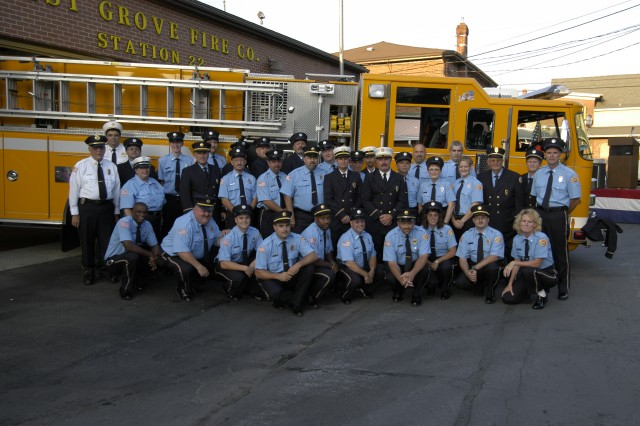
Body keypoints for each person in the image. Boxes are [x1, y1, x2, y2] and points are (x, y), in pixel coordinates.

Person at [531, 138, 581, 301]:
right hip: (540, 215)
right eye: (549, 153)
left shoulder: (569, 174)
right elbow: (534, 196)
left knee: (560, 252)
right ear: (544, 155)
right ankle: (540, 285)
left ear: (561, 154)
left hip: (558, 215)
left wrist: (563, 213)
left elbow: (575, 200)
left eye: (555, 153)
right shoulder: (539, 173)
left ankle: (563, 287)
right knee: (539, 249)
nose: (552, 156)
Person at [69, 135, 121, 285]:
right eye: (95, 147)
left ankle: (106, 270)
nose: (99, 150)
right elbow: (73, 190)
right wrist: (75, 213)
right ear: (89, 149)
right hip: (87, 208)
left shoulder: (111, 166)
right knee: (87, 241)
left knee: (107, 242)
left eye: (101, 147)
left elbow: (116, 190)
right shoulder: (81, 166)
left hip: (106, 208)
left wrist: (116, 211)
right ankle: (89, 271)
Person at [255, 211, 317, 317]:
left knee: (309, 268)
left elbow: (313, 255)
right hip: (274, 277)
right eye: (281, 226)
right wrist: (278, 276)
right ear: (274, 227)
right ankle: (280, 300)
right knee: (276, 293)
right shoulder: (265, 245)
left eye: (287, 225)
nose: (285, 229)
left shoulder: (297, 238)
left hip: (290, 274)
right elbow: (258, 272)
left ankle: (296, 305)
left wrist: (298, 265)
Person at [160, 197, 223, 302]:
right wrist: (199, 267)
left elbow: (217, 239)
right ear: (195, 210)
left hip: (191, 253)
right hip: (171, 254)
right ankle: (182, 290)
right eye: (203, 211)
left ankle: (193, 283)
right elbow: (182, 251)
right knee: (185, 268)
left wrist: (228, 239)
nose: (206, 214)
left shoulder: (210, 221)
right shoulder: (185, 224)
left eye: (209, 211)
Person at [501, 208, 558, 309]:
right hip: (528, 273)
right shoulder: (517, 239)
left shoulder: (541, 238)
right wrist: (510, 284)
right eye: (524, 221)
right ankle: (527, 292)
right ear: (519, 223)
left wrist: (514, 263)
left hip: (547, 274)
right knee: (508, 298)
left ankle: (542, 295)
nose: (526, 224)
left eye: (530, 222)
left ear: (535, 224)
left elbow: (536, 264)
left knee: (527, 271)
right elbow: (517, 262)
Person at [104, 202, 161, 300]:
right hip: (114, 261)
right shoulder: (124, 222)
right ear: (132, 212)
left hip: (131, 256)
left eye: (145, 212)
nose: (142, 215)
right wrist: (149, 254)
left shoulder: (147, 225)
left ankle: (138, 280)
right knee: (132, 257)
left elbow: (155, 245)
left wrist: (155, 257)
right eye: (139, 212)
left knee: (155, 256)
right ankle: (125, 290)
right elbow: (128, 246)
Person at [362, 147, 408, 259]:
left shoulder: (399, 178)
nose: (383, 162)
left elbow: (402, 200)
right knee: (375, 254)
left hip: (392, 222)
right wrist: (379, 215)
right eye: (380, 159)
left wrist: (391, 215)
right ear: (377, 161)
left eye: (386, 159)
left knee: (392, 253)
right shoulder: (369, 178)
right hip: (375, 222)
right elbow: (365, 199)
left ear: (390, 160)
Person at [477, 147, 522, 258]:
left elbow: (519, 202)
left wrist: (517, 221)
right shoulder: (481, 177)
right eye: (492, 160)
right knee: (489, 249)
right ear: (488, 162)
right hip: (489, 220)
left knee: (507, 251)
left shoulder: (514, 177)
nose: (495, 162)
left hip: (507, 221)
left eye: (498, 160)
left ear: (502, 161)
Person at [454, 205, 504, 304]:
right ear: (473, 220)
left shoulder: (496, 235)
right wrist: (468, 273)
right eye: (477, 218)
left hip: (487, 265)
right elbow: (462, 258)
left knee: (493, 268)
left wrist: (474, 268)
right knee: (461, 283)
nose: (480, 220)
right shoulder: (466, 235)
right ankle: (478, 285)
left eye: (483, 218)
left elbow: (494, 257)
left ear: (488, 220)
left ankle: (491, 292)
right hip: (473, 264)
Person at [336, 208, 386, 304]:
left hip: (363, 265)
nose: (360, 224)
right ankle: (345, 295)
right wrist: (365, 274)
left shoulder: (367, 236)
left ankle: (364, 289)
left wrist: (372, 270)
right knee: (355, 281)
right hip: (347, 267)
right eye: (357, 222)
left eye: (362, 221)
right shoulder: (346, 238)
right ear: (351, 223)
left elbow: (372, 255)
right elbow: (349, 263)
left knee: (383, 271)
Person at [214, 204, 263, 300]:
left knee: (260, 269)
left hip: (244, 262)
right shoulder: (229, 238)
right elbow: (224, 263)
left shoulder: (255, 232)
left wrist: (252, 266)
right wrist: (245, 268)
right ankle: (229, 289)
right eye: (241, 218)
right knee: (238, 278)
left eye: (247, 218)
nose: (244, 221)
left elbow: (262, 252)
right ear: (236, 220)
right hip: (226, 265)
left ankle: (249, 289)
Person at [383, 209, 429, 306]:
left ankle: (416, 294)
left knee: (424, 269)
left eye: (410, 223)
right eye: (403, 223)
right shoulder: (390, 236)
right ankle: (399, 290)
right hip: (399, 265)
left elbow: (423, 256)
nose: (406, 226)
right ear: (397, 222)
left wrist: (412, 273)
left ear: (414, 222)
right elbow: (391, 262)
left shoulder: (422, 233)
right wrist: (401, 280)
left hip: (414, 264)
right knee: (390, 276)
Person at [323, 145, 361, 250]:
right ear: (336, 160)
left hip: (351, 218)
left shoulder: (356, 176)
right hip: (337, 218)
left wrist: (351, 214)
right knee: (336, 246)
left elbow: (359, 196)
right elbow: (329, 199)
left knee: (352, 246)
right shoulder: (329, 177)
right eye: (340, 159)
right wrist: (342, 215)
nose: (343, 161)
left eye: (345, 158)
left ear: (349, 160)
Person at [301, 204, 340, 307]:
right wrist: (329, 265)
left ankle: (322, 293)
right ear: (315, 218)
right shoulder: (310, 233)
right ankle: (310, 297)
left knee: (338, 266)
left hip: (321, 263)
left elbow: (328, 250)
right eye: (322, 218)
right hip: (308, 265)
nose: (326, 221)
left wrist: (332, 261)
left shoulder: (326, 229)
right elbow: (312, 259)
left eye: (328, 218)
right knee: (329, 275)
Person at [281, 146, 325, 234]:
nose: (312, 160)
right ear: (304, 159)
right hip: (301, 216)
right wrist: (291, 215)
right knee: (299, 241)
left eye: (315, 157)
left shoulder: (325, 174)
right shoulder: (294, 174)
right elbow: (287, 195)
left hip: (321, 214)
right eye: (309, 157)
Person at [120, 156, 165, 240]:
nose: (145, 170)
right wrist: (135, 225)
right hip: (141, 220)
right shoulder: (129, 185)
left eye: (147, 167)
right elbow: (127, 210)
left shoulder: (155, 183)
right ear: (136, 170)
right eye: (141, 168)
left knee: (155, 245)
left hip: (156, 220)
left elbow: (162, 204)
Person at [158, 131, 193, 238]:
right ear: (169, 143)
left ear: (182, 144)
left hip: (184, 198)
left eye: (178, 142)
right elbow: (161, 182)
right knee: (167, 225)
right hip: (169, 199)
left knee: (184, 226)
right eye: (173, 142)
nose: (176, 145)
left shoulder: (190, 161)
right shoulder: (162, 161)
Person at [180, 141, 222, 228]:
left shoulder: (216, 170)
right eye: (199, 153)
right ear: (195, 154)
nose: (202, 156)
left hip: (213, 210)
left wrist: (222, 210)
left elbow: (219, 192)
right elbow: (185, 193)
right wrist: (189, 212)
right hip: (197, 211)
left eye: (205, 153)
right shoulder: (188, 171)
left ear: (208, 154)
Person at [422, 201, 458, 300]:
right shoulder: (420, 230)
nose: (433, 217)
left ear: (439, 216)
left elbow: (452, 251)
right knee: (431, 283)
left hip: (442, 258)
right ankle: (430, 285)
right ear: (426, 216)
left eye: (435, 215)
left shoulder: (447, 229)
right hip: (426, 259)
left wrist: (437, 261)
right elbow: (417, 253)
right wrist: (429, 263)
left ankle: (445, 289)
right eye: (430, 215)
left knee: (446, 266)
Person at [219, 147, 258, 228]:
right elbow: (224, 199)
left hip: (248, 215)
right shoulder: (225, 179)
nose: (239, 163)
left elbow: (255, 197)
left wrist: (249, 210)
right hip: (232, 214)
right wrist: (235, 212)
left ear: (245, 162)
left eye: (241, 160)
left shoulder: (252, 178)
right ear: (232, 162)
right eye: (236, 160)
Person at [256, 149, 288, 238]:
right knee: (268, 240)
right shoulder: (262, 179)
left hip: (284, 212)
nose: (277, 164)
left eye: (279, 161)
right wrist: (282, 211)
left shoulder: (286, 177)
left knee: (284, 238)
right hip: (269, 214)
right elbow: (266, 201)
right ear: (268, 162)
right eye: (273, 162)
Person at [451, 156, 483, 243]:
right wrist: (453, 220)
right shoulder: (456, 183)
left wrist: (462, 221)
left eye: (466, 167)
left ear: (471, 167)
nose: (463, 169)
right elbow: (452, 203)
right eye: (461, 167)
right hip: (455, 220)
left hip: (467, 220)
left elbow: (475, 204)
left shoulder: (476, 183)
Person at [417, 156, 455, 224]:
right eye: (431, 169)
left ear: (440, 171)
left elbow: (451, 205)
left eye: (436, 169)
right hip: (426, 217)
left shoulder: (446, 185)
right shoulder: (423, 185)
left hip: (441, 216)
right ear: (427, 171)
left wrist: (445, 222)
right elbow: (420, 205)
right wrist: (423, 219)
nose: (433, 172)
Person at [516, 147, 544, 212]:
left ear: (540, 164)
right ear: (526, 163)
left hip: (538, 213)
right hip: (523, 213)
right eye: (530, 162)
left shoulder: (543, 179)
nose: (532, 164)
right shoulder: (520, 178)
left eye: (535, 162)